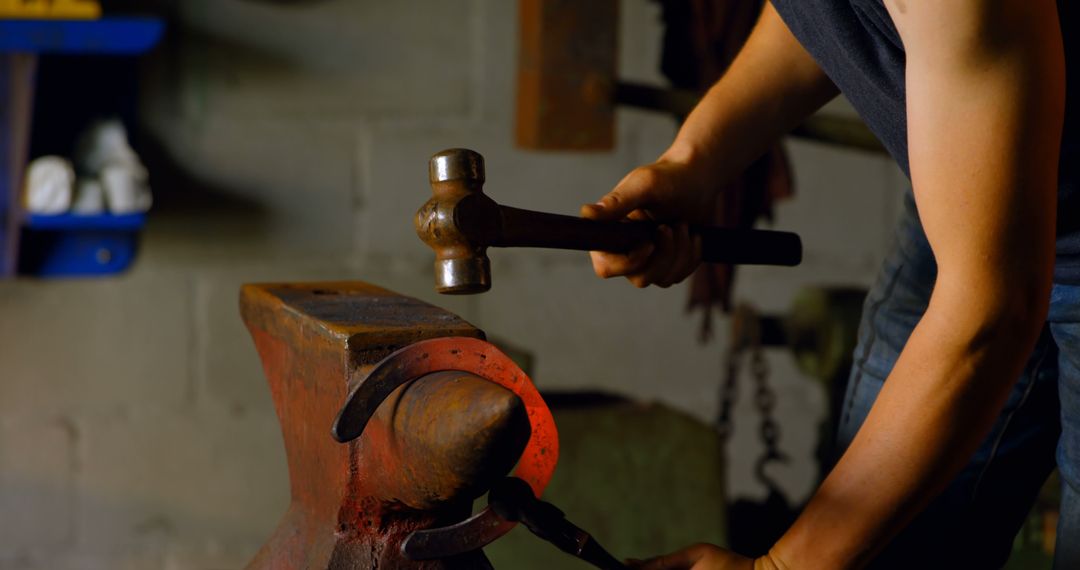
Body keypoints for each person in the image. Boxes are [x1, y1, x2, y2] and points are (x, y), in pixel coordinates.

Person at [583, 1, 1077, 568]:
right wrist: (696, 160)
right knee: (879, 546)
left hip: (1000, 258)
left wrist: (784, 567)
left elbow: (991, 311)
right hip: (970, 195)